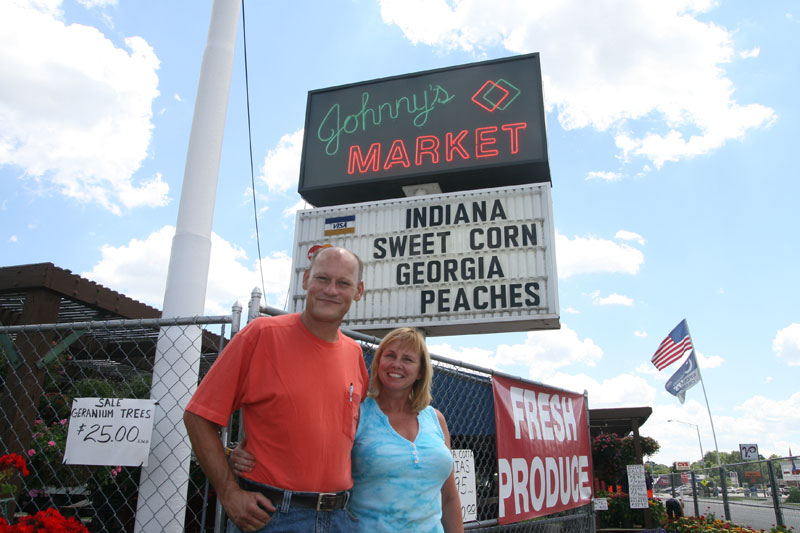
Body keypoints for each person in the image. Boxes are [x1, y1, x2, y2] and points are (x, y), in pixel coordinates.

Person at [184, 246, 369, 533]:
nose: (330, 290)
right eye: (322, 278)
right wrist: (229, 491)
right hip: (272, 517)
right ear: (306, 279)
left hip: (342, 518)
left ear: (358, 291)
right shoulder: (261, 335)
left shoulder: (354, 354)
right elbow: (198, 416)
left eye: (343, 283)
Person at [231, 327, 464, 532]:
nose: (396, 364)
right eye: (390, 355)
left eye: (408, 359)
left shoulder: (436, 419)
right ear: (378, 363)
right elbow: (312, 448)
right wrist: (248, 453)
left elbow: (449, 498)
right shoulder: (357, 412)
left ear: (421, 371)